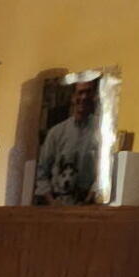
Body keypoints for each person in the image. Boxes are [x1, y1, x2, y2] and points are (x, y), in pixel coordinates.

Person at [35, 76, 103, 205]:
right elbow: (42, 172)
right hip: (57, 203)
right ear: (73, 97)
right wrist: (52, 202)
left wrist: (89, 199)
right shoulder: (56, 133)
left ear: (94, 96)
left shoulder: (102, 130)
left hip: (88, 203)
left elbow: (104, 172)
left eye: (88, 92)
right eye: (80, 92)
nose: (84, 97)